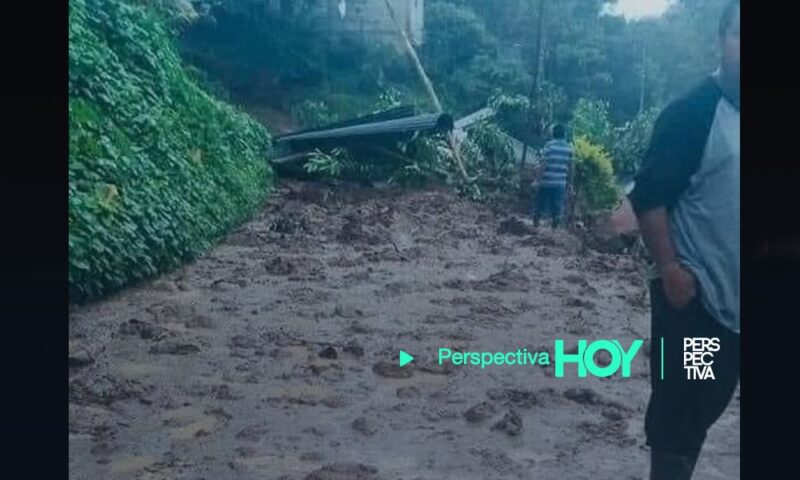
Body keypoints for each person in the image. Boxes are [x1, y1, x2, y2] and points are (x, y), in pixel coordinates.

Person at [627, 1, 740, 479]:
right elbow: (649, 197)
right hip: (695, 304)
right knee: (684, 407)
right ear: (721, 40)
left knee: (713, 398)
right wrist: (670, 270)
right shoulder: (692, 112)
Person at [533, 124, 573, 228]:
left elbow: (543, 164)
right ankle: (554, 230)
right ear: (564, 134)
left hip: (546, 181)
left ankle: (535, 226)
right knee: (557, 207)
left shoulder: (549, 146)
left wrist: (537, 180)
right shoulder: (569, 148)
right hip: (560, 183)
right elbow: (571, 168)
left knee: (539, 204)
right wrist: (569, 184)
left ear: (553, 133)